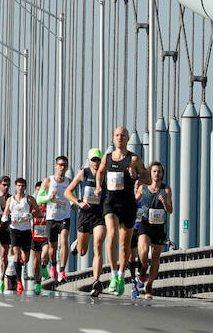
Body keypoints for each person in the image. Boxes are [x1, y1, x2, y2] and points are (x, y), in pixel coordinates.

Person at [96, 126, 151, 297]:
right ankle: (113, 275)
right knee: (111, 235)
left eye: (123, 135)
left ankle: (120, 277)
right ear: (113, 138)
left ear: (127, 139)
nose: (120, 138)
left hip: (127, 205)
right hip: (110, 203)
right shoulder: (107, 157)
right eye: (117, 135)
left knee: (124, 244)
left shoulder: (133, 159)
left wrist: (136, 176)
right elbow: (100, 172)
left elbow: (148, 178)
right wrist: (98, 186)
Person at [67, 149, 107, 294]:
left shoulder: (106, 175)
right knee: (83, 252)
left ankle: (96, 281)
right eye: (93, 160)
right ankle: (78, 243)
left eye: (98, 160)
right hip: (85, 215)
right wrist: (79, 202)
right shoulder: (84, 173)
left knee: (97, 246)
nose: (96, 163)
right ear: (89, 160)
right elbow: (68, 192)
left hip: (99, 216)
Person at [134, 161, 173, 299]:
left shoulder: (166, 189)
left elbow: (170, 210)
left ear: (162, 174)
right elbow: (134, 202)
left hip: (159, 226)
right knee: (143, 251)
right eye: (154, 171)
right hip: (146, 224)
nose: (157, 174)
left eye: (159, 171)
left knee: (156, 257)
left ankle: (149, 284)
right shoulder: (143, 188)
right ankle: (143, 267)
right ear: (150, 173)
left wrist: (164, 202)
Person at [39, 155, 74, 281]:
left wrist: (73, 203)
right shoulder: (48, 181)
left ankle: (62, 270)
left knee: (64, 239)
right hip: (51, 217)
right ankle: (53, 265)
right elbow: (39, 199)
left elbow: (72, 196)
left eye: (64, 165)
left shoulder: (69, 181)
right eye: (60, 165)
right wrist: (49, 197)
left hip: (65, 216)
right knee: (52, 246)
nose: (62, 168)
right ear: (55, 166)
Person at [3, 178, 36, 294]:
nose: (20, 188)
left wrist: (31, 215)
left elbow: (38, 212)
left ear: (25, 187)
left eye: (22, 186)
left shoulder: (29, 199)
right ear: (15, 187)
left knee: (25, 258)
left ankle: (20, 265)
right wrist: (4, 218)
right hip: (14, 229)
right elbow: (6, 212)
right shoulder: (10, 199)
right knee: (16, 254)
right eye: (18, 186)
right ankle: (19, 281)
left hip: (26, 230)